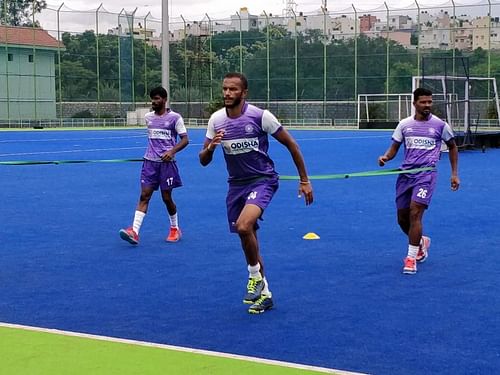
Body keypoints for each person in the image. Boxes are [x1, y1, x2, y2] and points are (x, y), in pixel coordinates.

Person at [199, 72, 313, 314]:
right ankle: (266, 294)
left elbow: (292, 145)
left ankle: (254, 277)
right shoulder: (216, 120)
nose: (227, 93)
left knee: (243, 225)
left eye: (233, 89)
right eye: (225, 89)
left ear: (244, 92)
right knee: (248, 238)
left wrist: (304, 180)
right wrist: (210, 147)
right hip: (236, 185)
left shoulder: (261, 116)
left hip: (263, 181)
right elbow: (203, 160)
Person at [378, 87, 460, 274]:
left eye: (430, 102)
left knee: (415, 213)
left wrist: (454, 173)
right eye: (423, 102)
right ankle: (421, 242)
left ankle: (411, 258)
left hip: (426, 175)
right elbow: (394, 148)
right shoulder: (404, 125)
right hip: (405, 175)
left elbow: (453, 147)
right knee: (402, 218)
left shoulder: (440, 125)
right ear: (414, 103)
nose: (427, 105)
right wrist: (385, 157)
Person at [119, 86, 189, 245]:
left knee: (166, 198)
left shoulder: (175, 118)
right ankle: (134, 232)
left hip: (167, 165)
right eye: (152, 99)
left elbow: (185, 139)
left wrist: (171, 152)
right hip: (149, 164)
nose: (154, 102)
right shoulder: (148, 117)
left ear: (164, 100)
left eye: (157, 99)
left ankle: (174, 228)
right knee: (144, 196)